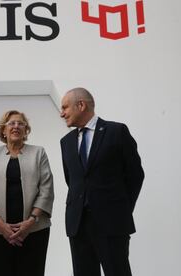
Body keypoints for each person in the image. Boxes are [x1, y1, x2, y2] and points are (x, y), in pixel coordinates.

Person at [60, 88, 144, 276]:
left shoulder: (117, 131)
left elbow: (135, 175)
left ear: (81, 105)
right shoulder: (66, 142)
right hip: (78, 225)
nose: (61, 113)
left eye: (65, 107)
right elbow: (73, 181)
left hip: (112, 223)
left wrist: (120, 209)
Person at [0, 110, 54, 276]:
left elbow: (46, 189)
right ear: (3, 130)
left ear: (26, 129)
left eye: (21, 123)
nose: (16, 126)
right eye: (11, 123)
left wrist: (30, 222)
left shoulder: (38, 153)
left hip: (34, 230)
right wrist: (1, 226)